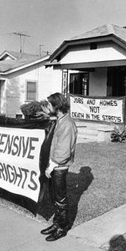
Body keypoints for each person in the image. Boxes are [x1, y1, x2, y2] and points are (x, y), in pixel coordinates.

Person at [40, 93, 78, 242]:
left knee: (60, 199)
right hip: (54, 166)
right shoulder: (60, 120)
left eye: (50, 105)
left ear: (56, 106)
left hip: (59, 168)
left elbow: (63, 151)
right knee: (55, 197)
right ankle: (56, 224)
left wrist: (52, 166)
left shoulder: (67, 124)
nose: (48, 107)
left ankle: (62, 227)